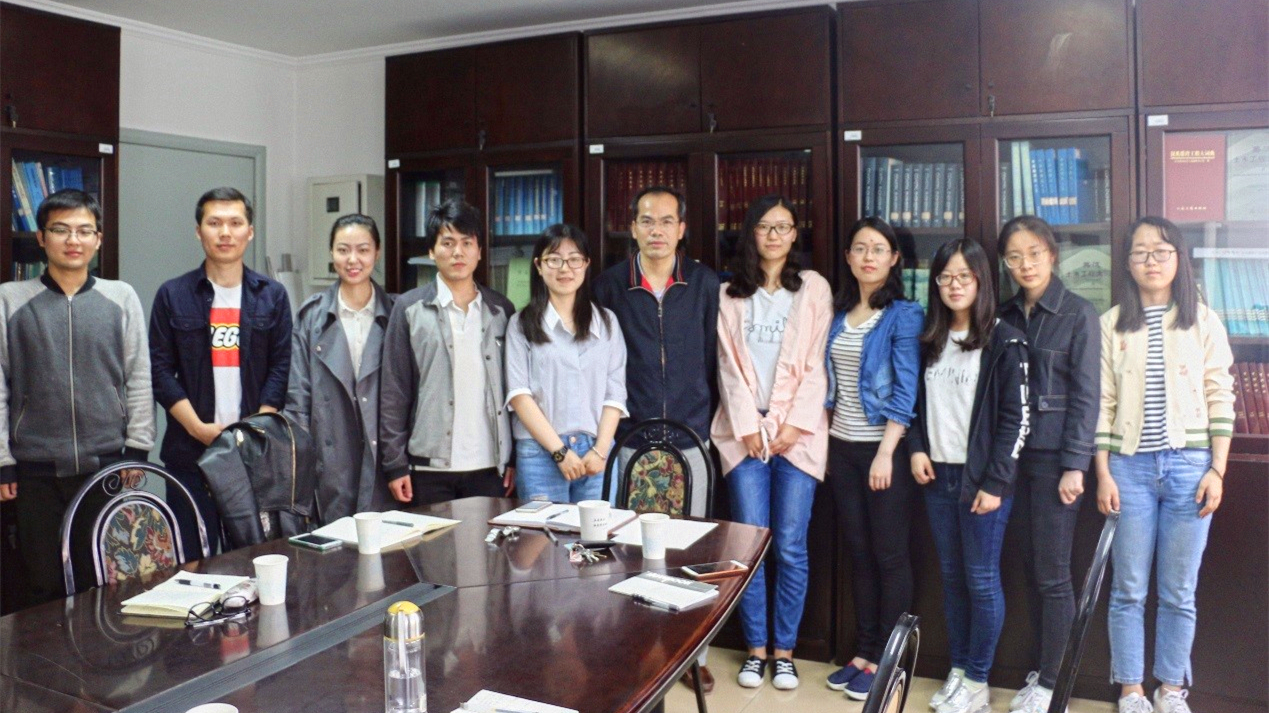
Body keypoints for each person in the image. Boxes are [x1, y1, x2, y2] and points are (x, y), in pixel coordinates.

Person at [1096, 217, 1233, 713]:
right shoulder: (1111, 323)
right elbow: (1102, 402)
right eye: (1140, 252)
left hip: (1191, 469)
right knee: (1128, 588)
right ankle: (1131, 689)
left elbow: (1221, 395)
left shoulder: (1204, 321)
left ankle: (1171, 688)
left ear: (1179, 258)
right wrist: (1103, 472)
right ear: (1128, 262)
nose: (1150, 260)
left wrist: (1217, 469)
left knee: (1179, 591)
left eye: (1161, 250)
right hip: (1128, 470)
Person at [0, 189, 153, 607]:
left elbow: (139, 376)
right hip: (34, 470)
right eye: (61, 230)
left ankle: (95, 651)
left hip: (105, 466)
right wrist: (3, 461)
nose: (73, 240)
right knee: (41, 584)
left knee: (100, 578)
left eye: (85, 231)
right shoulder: (10, 299)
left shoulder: (121, 297)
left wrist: (137, 449)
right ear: (41, 237)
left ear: (98, 239)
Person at [594, 185, 720, 691]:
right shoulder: (609, 286)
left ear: (682, 229)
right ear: (633, 228)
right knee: (631, 550)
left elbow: (715, 358)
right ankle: (634, 645)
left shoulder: (705, 283)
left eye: (667, 221)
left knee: (690, 553)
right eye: (647, 220)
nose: (657, 231)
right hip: (632, 440)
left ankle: (691, 655)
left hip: (691, 440)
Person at [711, 194, 831, 691]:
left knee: (791, 547)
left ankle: (785, 652)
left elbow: (817, 365)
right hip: (743, 437)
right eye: (765, 226)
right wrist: (750, 426)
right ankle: (755, 649)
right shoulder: (729, 293)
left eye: (783, 226)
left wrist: (787, 426)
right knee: (751, 547)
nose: (775, 235)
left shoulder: (814, 288)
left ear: (795, 234)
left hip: (797, 437)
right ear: (751, 233)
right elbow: (727, 367)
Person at [909, 238, 1029, 713]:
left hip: (982, 482)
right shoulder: (930, 339)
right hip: (937, 476)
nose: (954, 286)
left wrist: (996, 483)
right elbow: (913, 405)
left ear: (982, 281)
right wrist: (917, 449)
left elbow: (1017, 420)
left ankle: (978, 680)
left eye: (964, 276)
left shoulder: (1005, 341)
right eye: (945, 277)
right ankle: (958, 671)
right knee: (952, 578)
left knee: (981, 580)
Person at [996, 216, 1101, 713]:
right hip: (1008, 460)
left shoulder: (1078, 313)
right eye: (1014, 257)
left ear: (1052, 255)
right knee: (1023, 569)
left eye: (1034, 253)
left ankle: (1053, 683)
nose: (1025, 265)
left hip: (1053, 460)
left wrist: (1076, 464)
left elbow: (1086, 396)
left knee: (1053, 575)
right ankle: (1038, 672)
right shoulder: (1003, 314)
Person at [150, 187, 292, 553]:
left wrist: (255, 430)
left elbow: (280, 367)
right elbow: (160, 371)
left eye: (235, 223)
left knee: (252, 557)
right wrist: (197, 428)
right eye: (214, 223)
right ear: (198, 231)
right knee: (191, 559)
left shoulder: (273, 295)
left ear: (250, 231)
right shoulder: (173, 294)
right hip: (189, 454)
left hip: (253, 457)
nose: (225, 232)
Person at [823, 217, 923, 700]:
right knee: (859, 552)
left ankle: (887, 658)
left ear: (894, 258)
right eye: (860, 248)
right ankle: (863, 651)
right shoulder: (838, 313)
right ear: (848, 257)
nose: (868, 257)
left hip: (883, 452)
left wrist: (886, 452)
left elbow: (906, 390)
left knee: (890, 554)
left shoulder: (904, 315)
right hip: (841, 449)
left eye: (878, 249)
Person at [380, 199, 515, 506]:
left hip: (490, 465)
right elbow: (393, 391)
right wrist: (395, 464)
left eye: (467, 243)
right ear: (431, 251)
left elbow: (515, 391)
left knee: (488, 539)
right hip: (428, 467)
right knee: (432, 540)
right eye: (448, 243)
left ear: (479, 251)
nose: (458, 252)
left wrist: (514, 458)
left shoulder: (501, 310)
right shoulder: (409, 309)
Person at [505, 225, 626, 503]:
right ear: (538, 266)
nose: (565, 269)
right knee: (544, 532)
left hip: (596, 453)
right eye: (554, 259)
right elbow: (520, 396)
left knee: (596, 532)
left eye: (574, 259)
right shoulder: (521, 324)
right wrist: (559, 452)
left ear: (586, 264)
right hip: (540, 454)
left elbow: (615, 394)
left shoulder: (607, 322)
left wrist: (600, 451)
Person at [287, 214, 394, 524]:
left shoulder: (397, 314)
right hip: (329, 458)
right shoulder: (311, 317)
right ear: (331, 253)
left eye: (363, 250)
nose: (353, 260)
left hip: (384, 458)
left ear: (377, 252)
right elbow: (297, 399)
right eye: (343, 250)